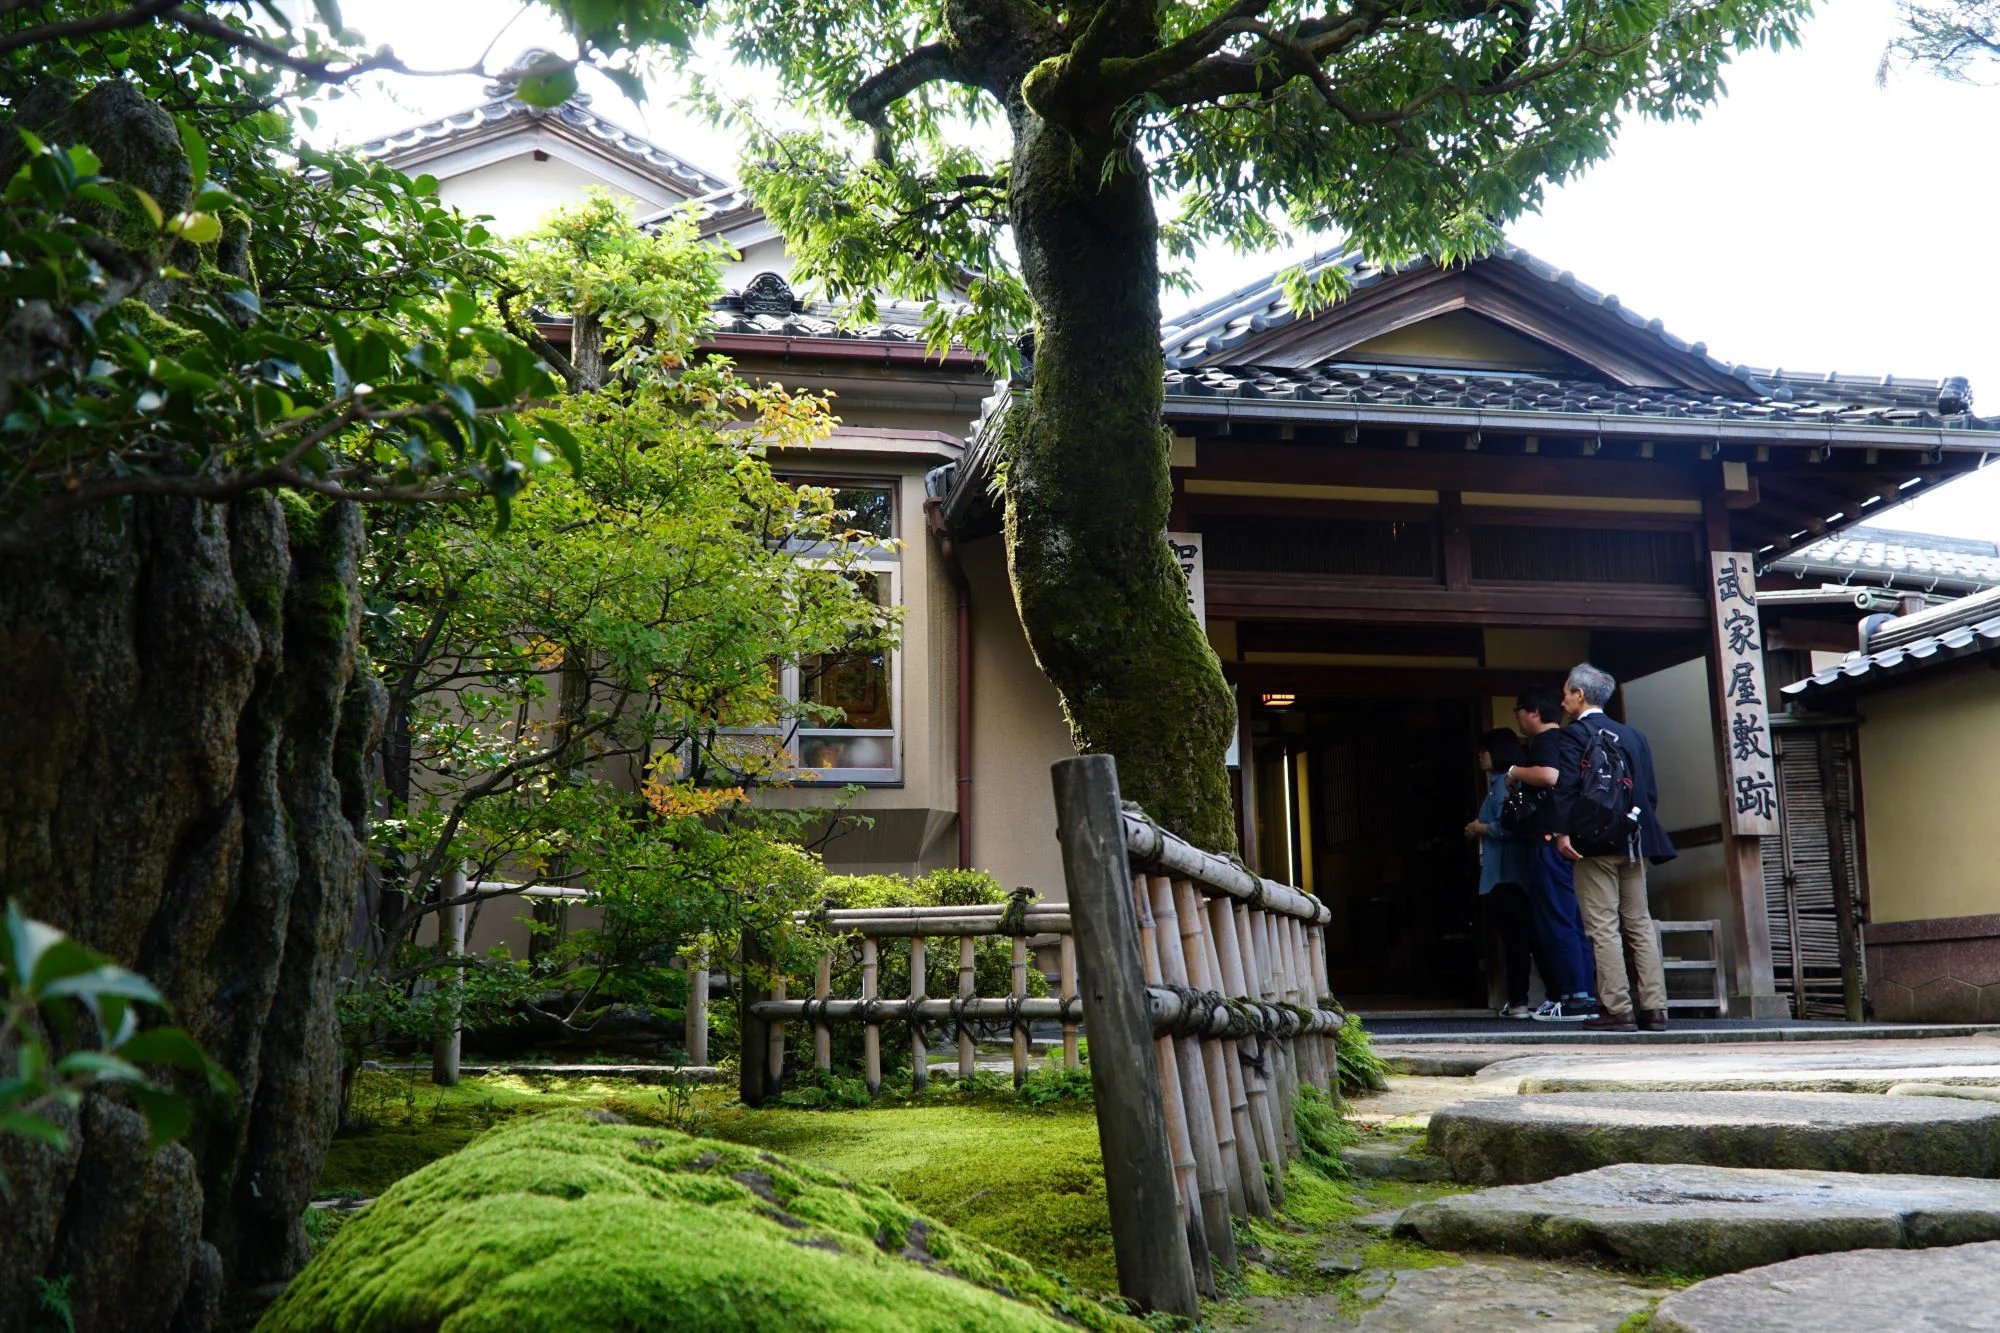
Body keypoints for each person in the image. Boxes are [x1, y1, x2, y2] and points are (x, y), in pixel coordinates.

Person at [1550, 663, 1678, 1033]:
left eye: (1566, 692)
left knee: (1603, 925)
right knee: (1639, 923)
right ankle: (1655, 1009)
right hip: (1635, 840)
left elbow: (1567, 789)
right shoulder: (1634, 736)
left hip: (1593, 844)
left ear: (1580, 695)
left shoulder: (1573, 735)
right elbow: (1649, 794)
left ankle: (1618, 1009)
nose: (1563, 698)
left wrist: (1562, 833)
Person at [1504, 686, 1599, 1022]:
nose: (1517, 716)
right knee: (1573, 918)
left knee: (1555, 918)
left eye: (1519, 709)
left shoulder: (1546, 741)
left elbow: (1548, 776)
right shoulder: (1574, 739)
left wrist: (1514, 772)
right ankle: (1581, 993)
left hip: (1550, 840)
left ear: (1531, 712)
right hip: (1576, 840)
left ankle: (1572, 996)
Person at [1465, 729, 1540, 1018]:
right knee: (1520, 939)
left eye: (1484, 750)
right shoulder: (1501, 784)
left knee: (1516, 941)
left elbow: (1510, 826)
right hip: (1510, 872)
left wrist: (1478, 828)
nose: (1480, 755)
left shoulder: (1505, 785)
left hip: (1505, 873)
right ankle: (1521, 998)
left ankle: (1520, 1000)